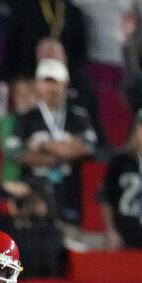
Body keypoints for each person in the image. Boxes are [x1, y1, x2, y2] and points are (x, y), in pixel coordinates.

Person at [7, 58, 96, 224]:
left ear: (65, 84)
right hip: (33, 196)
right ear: (37, 84)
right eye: (46, 82)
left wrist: (42, 145)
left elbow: (87, 147)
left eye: (55, 82)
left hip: (69, 195)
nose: (51, 88)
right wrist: (65, 152)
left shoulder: (78, 116)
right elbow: (16, 153)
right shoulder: (25, 118)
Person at [0, 180, 64, 277]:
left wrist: (42, 214)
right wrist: (3, 188)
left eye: (33, 202)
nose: (26, 205)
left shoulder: (50, 230)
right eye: (22, 200)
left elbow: (44, 260)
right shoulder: (4, 224)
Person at [99, 107, 142, 250]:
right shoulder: (120, 160)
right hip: (125, 230)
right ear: (135, 129)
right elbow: (106, 198)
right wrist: (110, 230)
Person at [2, 0, 87, 81]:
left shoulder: (73, 13)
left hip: (64, 79)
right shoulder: (23, 10)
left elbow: (79, 53)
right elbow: (12, 49)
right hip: (28, 79)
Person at [0, 77, 39, 182]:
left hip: (39, 178)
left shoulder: (44, 119)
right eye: (19, 94)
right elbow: (9, 151)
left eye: (29, 93)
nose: (24, 98)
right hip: (14, 178)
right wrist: (29, 145)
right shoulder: (8, 120)